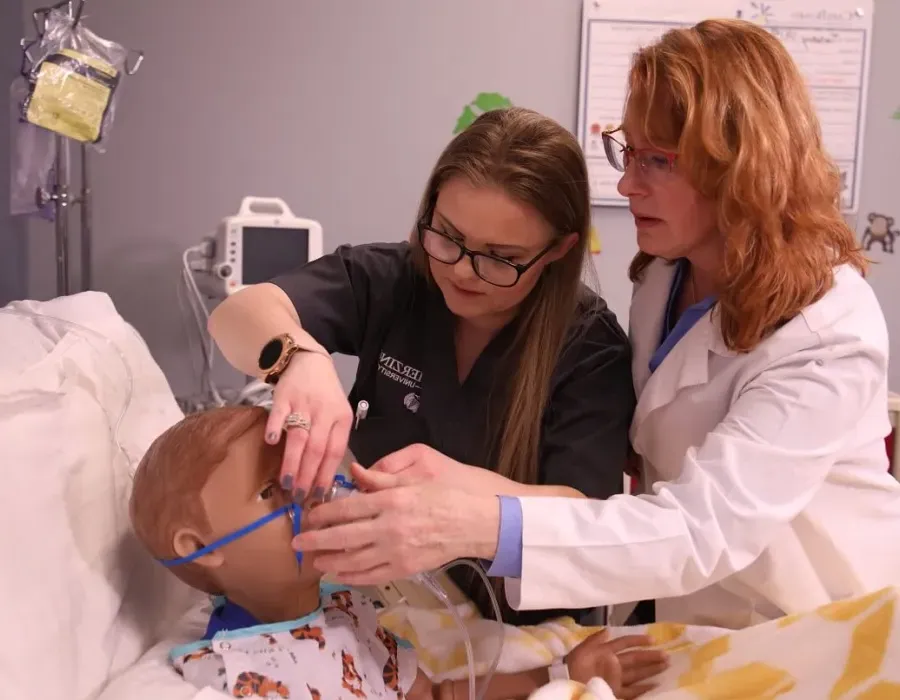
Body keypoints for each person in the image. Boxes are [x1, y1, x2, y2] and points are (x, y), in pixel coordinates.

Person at [291, 18, 900, 630]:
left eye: (658, 161)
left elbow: (698, 527)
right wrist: (301, 359)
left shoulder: (827, 334)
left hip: (825, 619)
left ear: (744, 168)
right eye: (628, 150)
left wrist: (474, 519)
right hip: (697, 613)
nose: (626, 182)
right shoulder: (662, 278)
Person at [208, 107, 636, 624]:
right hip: (389, 610)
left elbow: (587, 518)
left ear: (558, 251)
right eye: (448, 236)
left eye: (500, 257)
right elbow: (236, 316)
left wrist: (467, 497)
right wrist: (298, 358)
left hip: (520, 634)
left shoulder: (590, 348)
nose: (461, 270)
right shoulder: (394, 280)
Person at [129, 405, 668, 700]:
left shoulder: (347, 612)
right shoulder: (230, 675)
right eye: (272, 492)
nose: (312, 497)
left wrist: (558, 675)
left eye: (304, 476)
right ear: (200, 550)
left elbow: (432, 697)